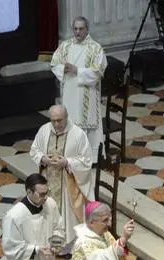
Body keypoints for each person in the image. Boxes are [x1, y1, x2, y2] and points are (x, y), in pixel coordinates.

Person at [29, 104, 93, 249]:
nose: (56, 124)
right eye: (53, 120)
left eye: (60, 120)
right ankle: (47, 243)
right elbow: (34, 150)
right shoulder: (44, 130)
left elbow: (87, 160)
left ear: (66, 117)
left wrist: (67, 162)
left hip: (67, 184)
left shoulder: (78, 134)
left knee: (67, 218)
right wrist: (44, 159)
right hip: (48, 181)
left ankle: (66, 248)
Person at [51, 16, 106, 163]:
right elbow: (54, 63)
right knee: (70, 122)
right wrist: (64, 68)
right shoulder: (66, 46)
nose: (78, 32)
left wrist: (78, 71)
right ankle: (70, 157)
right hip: (70, 92)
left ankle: (90, 158)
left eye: (81, 29)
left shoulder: (96, 48)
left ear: (87, 29)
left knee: (87, 125)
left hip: (87, 93)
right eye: (75, 29)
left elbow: (98, 72)